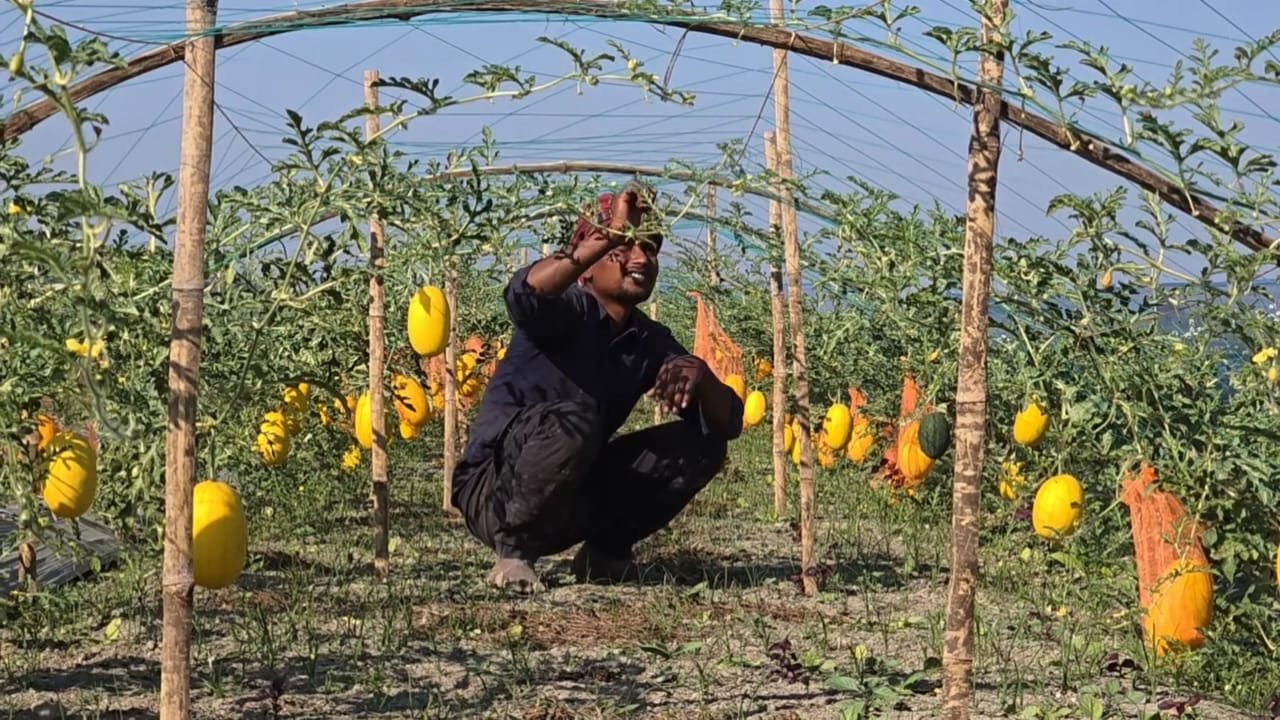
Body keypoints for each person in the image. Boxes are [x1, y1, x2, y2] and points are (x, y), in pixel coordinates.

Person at [449, 181, 745, 593]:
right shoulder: (566, 308)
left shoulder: (647, 340)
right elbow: (523, 294)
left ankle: (605, 554)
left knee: (703, 445)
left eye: (651, 249)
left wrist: (702, 376)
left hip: (570, 493)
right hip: (494, 492)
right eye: (624, 247)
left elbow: (730, 423)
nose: (640, 258)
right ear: (587, 263)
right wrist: (609, 232)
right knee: (577, 418)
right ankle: (514, 553)